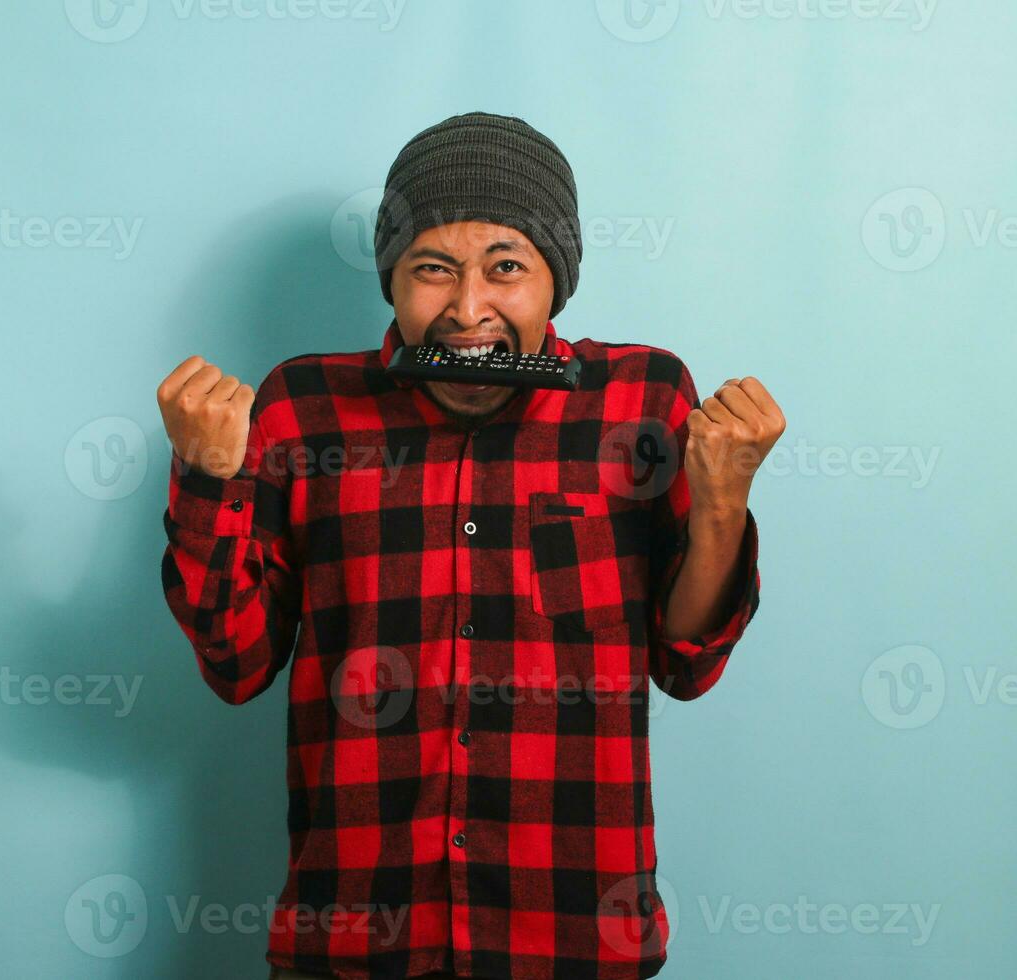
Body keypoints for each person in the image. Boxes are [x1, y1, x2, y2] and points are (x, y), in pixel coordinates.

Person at [157, 111, 785, 980]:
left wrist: (722, 502)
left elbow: (686, 664)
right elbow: (235, 665)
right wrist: (207, 477)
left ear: (554, 282)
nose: (466, 309)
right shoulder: (303, 409)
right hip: (350, 942)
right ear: (391, 279)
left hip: (571, 941)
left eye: (506, 269)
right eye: (432, 270)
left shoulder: (643, 400)